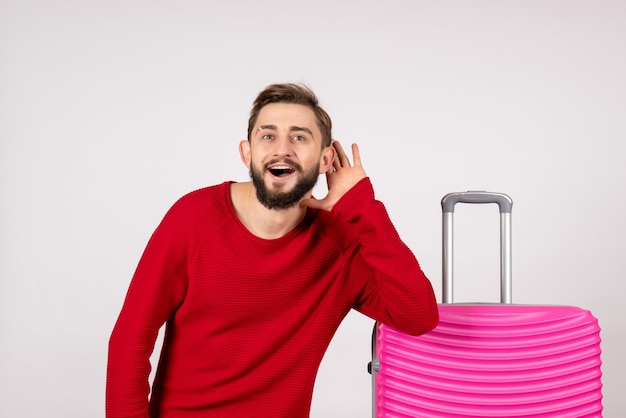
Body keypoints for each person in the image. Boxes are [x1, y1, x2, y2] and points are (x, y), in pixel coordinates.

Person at [106, 83, 439, 418]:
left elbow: (418, 317)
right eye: (268, 136)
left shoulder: (339, 244)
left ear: (326, 160)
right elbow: (130, 342)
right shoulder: (194, 218)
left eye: (299, 137)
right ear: (247, 153)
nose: (282, 149)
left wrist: (364, 211)